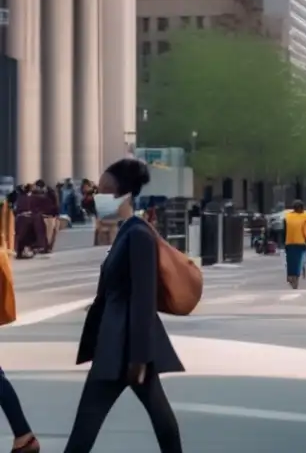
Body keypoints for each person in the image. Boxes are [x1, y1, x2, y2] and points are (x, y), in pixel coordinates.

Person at [64, 158, 183, 453]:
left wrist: (139, 358)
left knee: (85, 428)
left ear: (125, 195)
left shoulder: (138, 235)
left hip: (122, 346)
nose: (96, 196)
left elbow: (144, 299)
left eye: (105, 190)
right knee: (160, 417)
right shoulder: (128, 231)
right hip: (121, 343)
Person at [283, 200, 306, 289]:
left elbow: (285, 229)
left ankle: (291, 276)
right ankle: (295, 278)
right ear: (301, 208)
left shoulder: (287, 215)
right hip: (301, 242)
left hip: (289, 242)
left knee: (290, 261)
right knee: (299, 261)